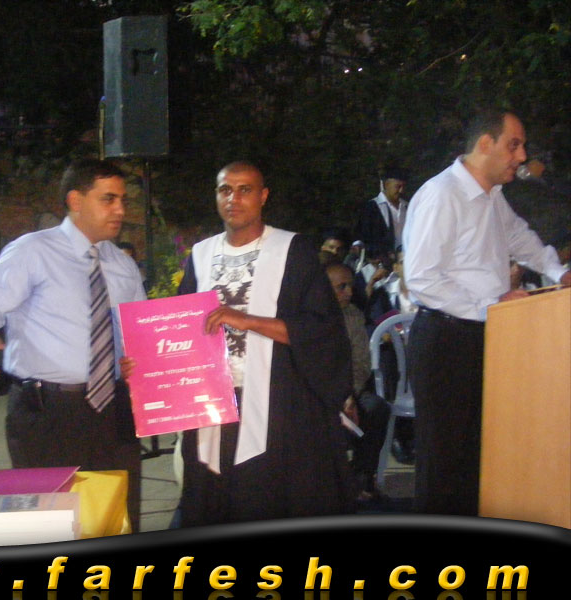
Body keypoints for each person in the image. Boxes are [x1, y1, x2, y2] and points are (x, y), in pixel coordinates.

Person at [162, 161, 354, 526]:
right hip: (213, 405)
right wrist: (148, 366)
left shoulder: (292, 250)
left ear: (263, 196)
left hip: (279, 405)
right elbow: (180, 330)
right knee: (212, 502)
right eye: (225, 190)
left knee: (267, 500)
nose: (233, 199)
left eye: (245, 190)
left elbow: (321, 330)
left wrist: (247, 320)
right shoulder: (201, 256)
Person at [403, 109, 571, 516]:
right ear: (485, 144)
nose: (522, 156)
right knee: (445, 460)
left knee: (479, 455)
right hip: (446, 338)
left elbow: (520, 239)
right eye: (514, 145)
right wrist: (489, 308)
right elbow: (422, 278)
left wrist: (559, 272)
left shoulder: (492, 196)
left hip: (485, 334)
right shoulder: (443, 194)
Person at [0, 158, 145, 531]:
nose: (120, 210)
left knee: (115, 517)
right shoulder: (32, 251)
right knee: (52, 524)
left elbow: (139, 333)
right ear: (75, 200)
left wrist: (140, 363)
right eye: (108, 199)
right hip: (48, 413)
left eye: (123, 200)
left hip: (113, 411)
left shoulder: (122, 265)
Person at [325, 262, 391, 502]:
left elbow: (361, 363)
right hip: (319, 390)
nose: (349, 292)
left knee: (376, 409)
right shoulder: (305, 316)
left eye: (350, 286)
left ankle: (361, 477)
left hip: (349, 387)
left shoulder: (352, 315)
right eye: (341, 287)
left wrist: (349, 393)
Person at [354, 165, 408, 258]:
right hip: (381, 258)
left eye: (403, 186)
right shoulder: (371, 207)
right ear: (386, 185)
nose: (401, 191)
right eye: (398, 186)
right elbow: (363, 235)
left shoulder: (407, 207)